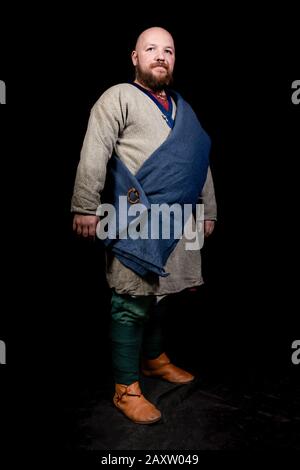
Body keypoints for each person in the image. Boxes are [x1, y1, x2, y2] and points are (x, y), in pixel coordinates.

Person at [71, 27, 217, 424]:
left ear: (173, 60)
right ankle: (125, 388)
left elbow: (199, 163)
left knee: (160, 295)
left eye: (168, 50)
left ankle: (153, 360)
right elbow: (95, 148)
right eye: (151, 48)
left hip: (178, 220)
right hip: (136, 216)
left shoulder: (184, 109)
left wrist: (207, 212)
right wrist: (84, 205)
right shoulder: (117, 96)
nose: (160, 55)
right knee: (131, 300)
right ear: (135, 57)